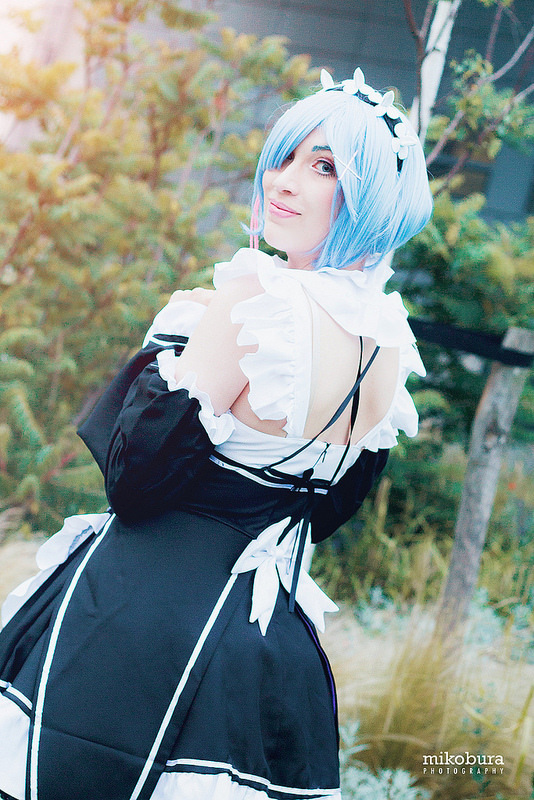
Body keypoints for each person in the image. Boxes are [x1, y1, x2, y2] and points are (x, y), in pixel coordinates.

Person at [0, 67, 432, 800]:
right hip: (265, 652)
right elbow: (327, 510)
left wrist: (173, 343)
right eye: (285, 156)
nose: (283, 180)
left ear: (375, 198)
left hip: (134, 630)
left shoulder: (251, 300)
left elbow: (134, 482)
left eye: (325, 167)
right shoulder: (389, 343)